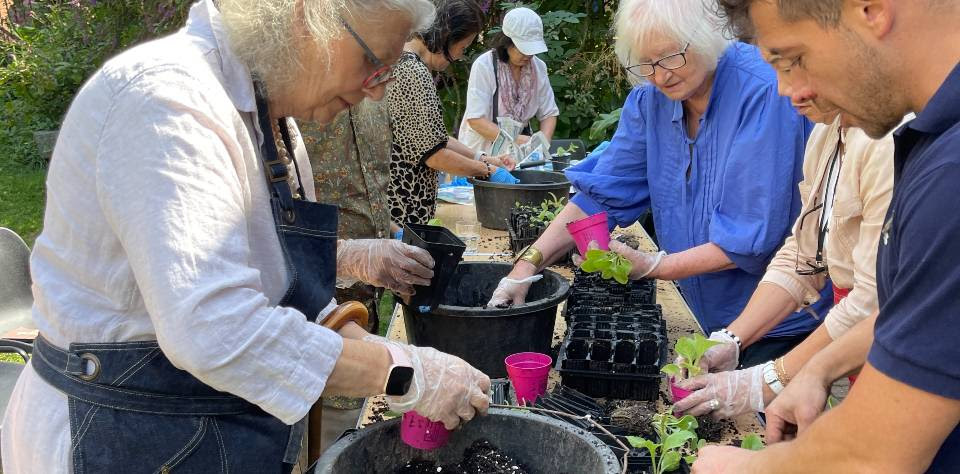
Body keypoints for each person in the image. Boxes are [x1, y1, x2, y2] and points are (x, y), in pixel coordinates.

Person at [1, 1, 491, 472]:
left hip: (203, 426)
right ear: (307, 16)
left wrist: (352, 268)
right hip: (122, 430)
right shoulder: (167, 101)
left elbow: (283, 292)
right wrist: (404, 371)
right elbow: (218, 330)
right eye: (373, 61)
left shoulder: (270, 118)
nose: (378, 90)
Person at [692, 0, 960, 472]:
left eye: (792, 59)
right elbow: (920, 303)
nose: (787, 90)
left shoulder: (948, 172)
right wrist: (817, 365)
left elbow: (873, 456)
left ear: (871, 10)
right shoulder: (917, 139)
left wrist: (742, 465)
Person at [488, 0, 830, 368]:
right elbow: (600, 195)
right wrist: (526, 266)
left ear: (706, 39)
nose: (660, 76)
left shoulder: (763, 92)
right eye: (646, 64)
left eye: (670, 58)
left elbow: (751, 239)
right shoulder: (652, 101)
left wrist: (653, 266)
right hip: (697, 313)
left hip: (773, 327)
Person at [672, 86, 896, 419]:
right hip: (854, 353)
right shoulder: (826, 134)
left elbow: (872, 306)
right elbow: (803, 258)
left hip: (897, 357)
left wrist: (769, 381)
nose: (787, 88)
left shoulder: (887, 145)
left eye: (797, 62)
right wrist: (732, 338)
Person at [386, 0, 515, 226]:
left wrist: (480, 158)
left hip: (405, 209)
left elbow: (435, 139)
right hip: (405, 210)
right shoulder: (412, 72)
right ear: (447, 35)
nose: (459, 56)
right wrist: (487, 170)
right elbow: (434, 155)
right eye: (463, 47)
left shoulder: (406, 63)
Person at [299, 100, 393, 334]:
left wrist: (387, 227)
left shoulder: (376, 95)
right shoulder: (302, 97)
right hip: (322, 262)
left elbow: (372, 178)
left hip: (370, 261)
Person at [458, 7, 560, 151]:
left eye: (531, 50)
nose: (528, 55)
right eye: (522, 48)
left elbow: (549, 113)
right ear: (506, 42)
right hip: (482, 150)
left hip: (519, 152)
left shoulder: (538, 67)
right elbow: (476, 120)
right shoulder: (484, 65)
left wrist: (543, 143)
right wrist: (523, 141)